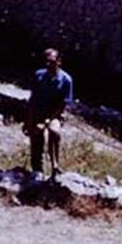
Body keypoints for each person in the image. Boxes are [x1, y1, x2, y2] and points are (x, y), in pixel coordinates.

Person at [23, 48, 74, 178]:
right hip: (38, 112)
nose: (48, 64)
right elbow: (32, 100)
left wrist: (47, 121)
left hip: (54, 114)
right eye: (46, 61)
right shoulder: (38, 75)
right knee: (35, 135)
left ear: (59, 61)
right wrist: (28, 121)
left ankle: (55, 166)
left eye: (51, 61)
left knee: (54, 132)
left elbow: (62, 105)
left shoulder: (66, 80)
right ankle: (37, 170)